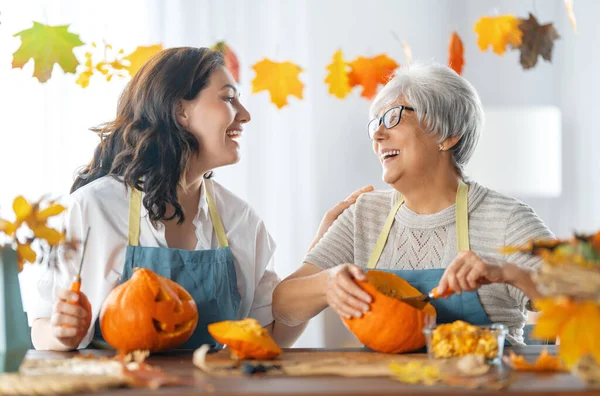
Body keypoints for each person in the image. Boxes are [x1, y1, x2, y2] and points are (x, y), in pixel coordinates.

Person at [28, 47, 316, 351]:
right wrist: (62, 334)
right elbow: (42, 325)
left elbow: (265, 335)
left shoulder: (240, 219)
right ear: (180, 110)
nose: (244, 115)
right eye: (229, 98)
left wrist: (318, 264)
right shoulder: (92, 209)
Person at [272, 63, 554, 345]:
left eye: (394, 117)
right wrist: (327, 283)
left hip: (483, 385)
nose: (378, 135)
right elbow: (283, 306)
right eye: (376, 123)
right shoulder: (363, 215)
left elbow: (582, 306)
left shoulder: (507, 220)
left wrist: (510, 273)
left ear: (447, 134)